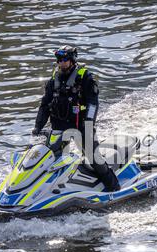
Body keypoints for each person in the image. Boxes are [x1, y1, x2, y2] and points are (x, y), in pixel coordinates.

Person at [32, 45, 121, 192]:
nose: (61, 63)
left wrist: (88, 124)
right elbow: (44, 105)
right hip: (59, 127)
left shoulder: (85, 77)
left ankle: (114, 187)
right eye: (59, 60)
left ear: (72, 60)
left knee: (94, 159)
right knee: (48, 159)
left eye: (65, 60)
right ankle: (43, 192)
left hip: (81, 125)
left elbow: (93, 104)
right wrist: (37, 127)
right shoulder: (53, 79)